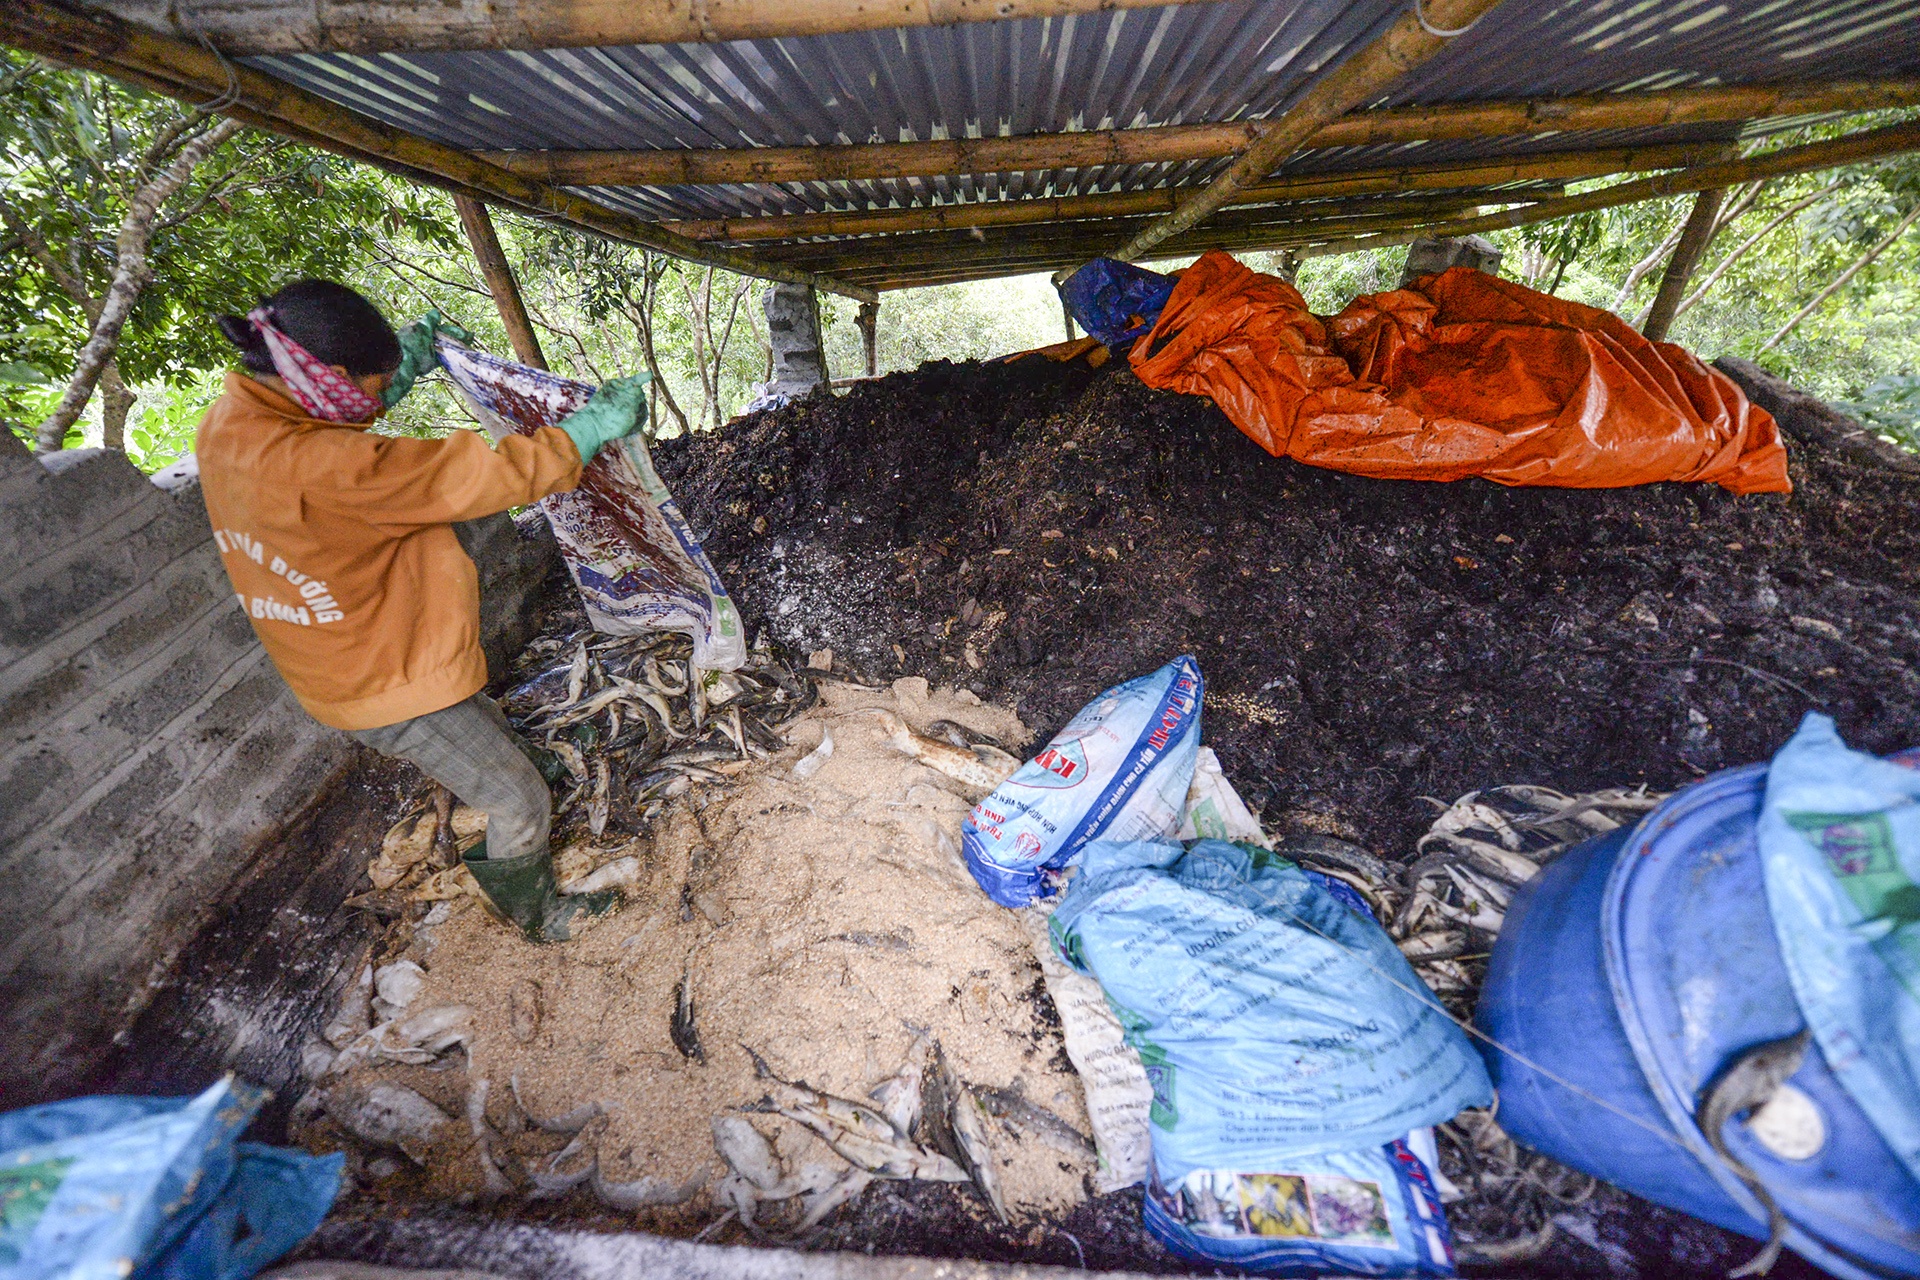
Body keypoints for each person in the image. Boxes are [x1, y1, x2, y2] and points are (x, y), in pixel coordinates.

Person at [197, 278, 646, 942]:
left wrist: (399, 372)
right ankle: (536, 912)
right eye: (374, 391)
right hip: (382, 681)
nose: (377, 403)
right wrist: (586, 431)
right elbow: (483, 478)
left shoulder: (232, 424)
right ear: (337, 379)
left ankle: (530, 763)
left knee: (479, 716)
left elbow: (330, 437)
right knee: (515, 800)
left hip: (343, 648)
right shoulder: (328, 466)